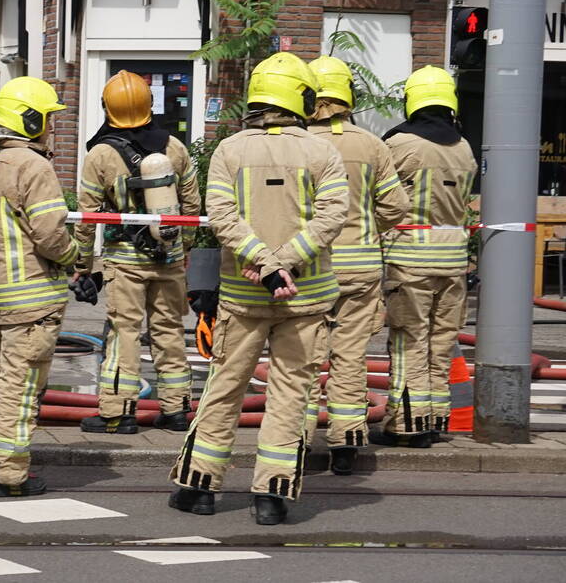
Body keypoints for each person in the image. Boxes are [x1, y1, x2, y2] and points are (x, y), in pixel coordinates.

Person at [167, 52, 347, 525]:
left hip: (244, 296)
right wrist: (284, 262)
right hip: (305, 298)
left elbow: (221, 218)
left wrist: (264, 265)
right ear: (301, 98)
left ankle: (199, 487)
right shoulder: (322, 152)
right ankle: (272, 496)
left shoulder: (230, 151)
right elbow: (332, 218)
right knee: (291, 394)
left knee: (224, 387)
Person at [0, 76, 78, 497]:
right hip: (32, 298)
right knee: (20, 387)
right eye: (46, 119)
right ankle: (8, 474)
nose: (50, 128)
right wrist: (74, 256)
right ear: (29, 121)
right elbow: (50, 235)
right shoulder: (34, 166)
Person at [73, 70, 202, 434]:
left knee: (123, 332)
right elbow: (192, 207)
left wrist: (82, 265)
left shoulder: (100, 154)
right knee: (169, 331)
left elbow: (86, 215)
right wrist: (181, 249)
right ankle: (176, 410)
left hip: (125, 260)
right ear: (149, 106)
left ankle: (117, 413)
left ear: (107, 109)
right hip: (170, 257)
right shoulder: (175, 148)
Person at [305, 56, 410, 474]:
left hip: (312, 268)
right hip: (362, 269)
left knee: (305, 358)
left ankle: (295, 438)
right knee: (350, 357)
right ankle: (346, 444)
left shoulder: (298, 142)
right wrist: (368, 225)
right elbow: (396, 205)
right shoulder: (371, 144)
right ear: (349, 94)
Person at [377, 65, 477, 447]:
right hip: (453, 263)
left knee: (409, 343)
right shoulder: (464, 147)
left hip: (410, 260)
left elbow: (379, 196)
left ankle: (407, 425)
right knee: (440, 345)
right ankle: (434, 420)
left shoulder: (401, 144)